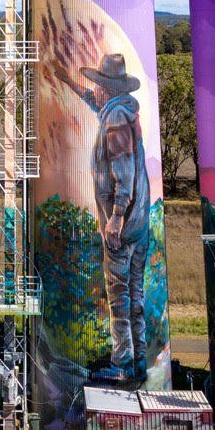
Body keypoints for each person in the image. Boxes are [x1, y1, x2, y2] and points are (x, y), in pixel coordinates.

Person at [53, 52, 151, 382]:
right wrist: (69, 82)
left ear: (107, 89)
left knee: (119, 293)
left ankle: (122, 362)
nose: (94, 90)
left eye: (97, 85)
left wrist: (115, 218)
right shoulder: (120, 112)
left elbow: (123, 174)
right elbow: (95, 105)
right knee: (135, 294)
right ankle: (139, 362)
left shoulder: (116, 124)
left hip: (123, 226)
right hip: (140, 223)